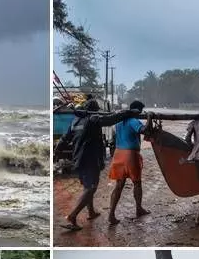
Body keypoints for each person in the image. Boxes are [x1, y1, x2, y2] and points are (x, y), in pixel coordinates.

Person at [54, 99, 141, 231]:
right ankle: (72, 216)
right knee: (91, 188)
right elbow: (111, 119)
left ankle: (91, 212)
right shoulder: (93, 119)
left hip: (78, 158)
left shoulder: (75, 121)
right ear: (94, 111)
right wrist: (128, 112)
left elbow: (64, 139)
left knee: (88, 186)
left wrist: (56, 151)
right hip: (90, 159)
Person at [107, 100, 150, 225]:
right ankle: (138, 208)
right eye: (140, 111)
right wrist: (150, 118)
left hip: (118, 153)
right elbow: (144, 130)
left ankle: (111, 214)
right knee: (137, 183)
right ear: (136, 111)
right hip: (130, 154)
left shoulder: (119, 122)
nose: (139, 114)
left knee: (119, 185)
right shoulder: (134, 121)